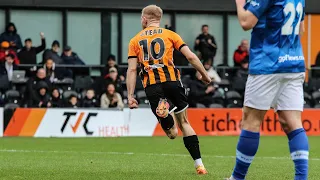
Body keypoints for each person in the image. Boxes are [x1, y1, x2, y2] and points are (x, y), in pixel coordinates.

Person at [226, 0, 308, 180]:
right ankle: (301, 178)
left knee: (251, 120)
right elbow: (301, 30)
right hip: (294, 63)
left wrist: (240, 3)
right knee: (293, 123)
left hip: (267, 64)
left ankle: (237, 178)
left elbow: (246, 22)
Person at [126, 5, 211, 175]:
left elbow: (132, 70)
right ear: (159, 19)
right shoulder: (170, 35)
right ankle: (199, 165)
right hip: (172, 81)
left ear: (144, 19)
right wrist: (205, 75)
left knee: (172, 133)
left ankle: (165, 111)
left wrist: (130, 95)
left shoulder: (135, 40)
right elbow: (191, 57)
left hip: (151, 85)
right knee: (185, 123)